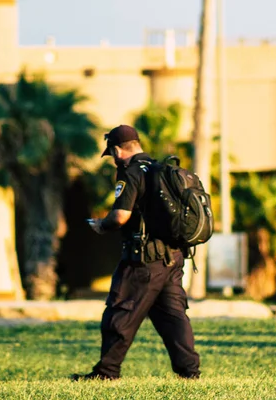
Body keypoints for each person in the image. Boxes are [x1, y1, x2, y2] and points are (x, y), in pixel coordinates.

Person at [71, 125, 201, 381]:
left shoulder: (131, 172)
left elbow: (120, 216)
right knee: (173, 317)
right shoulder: (159, 169)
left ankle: (106, 373)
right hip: (173, 258)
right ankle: (190, 372)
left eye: (112, 153)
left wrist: (101, 225)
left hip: (143, 260)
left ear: (117, 149)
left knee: (120, 312)